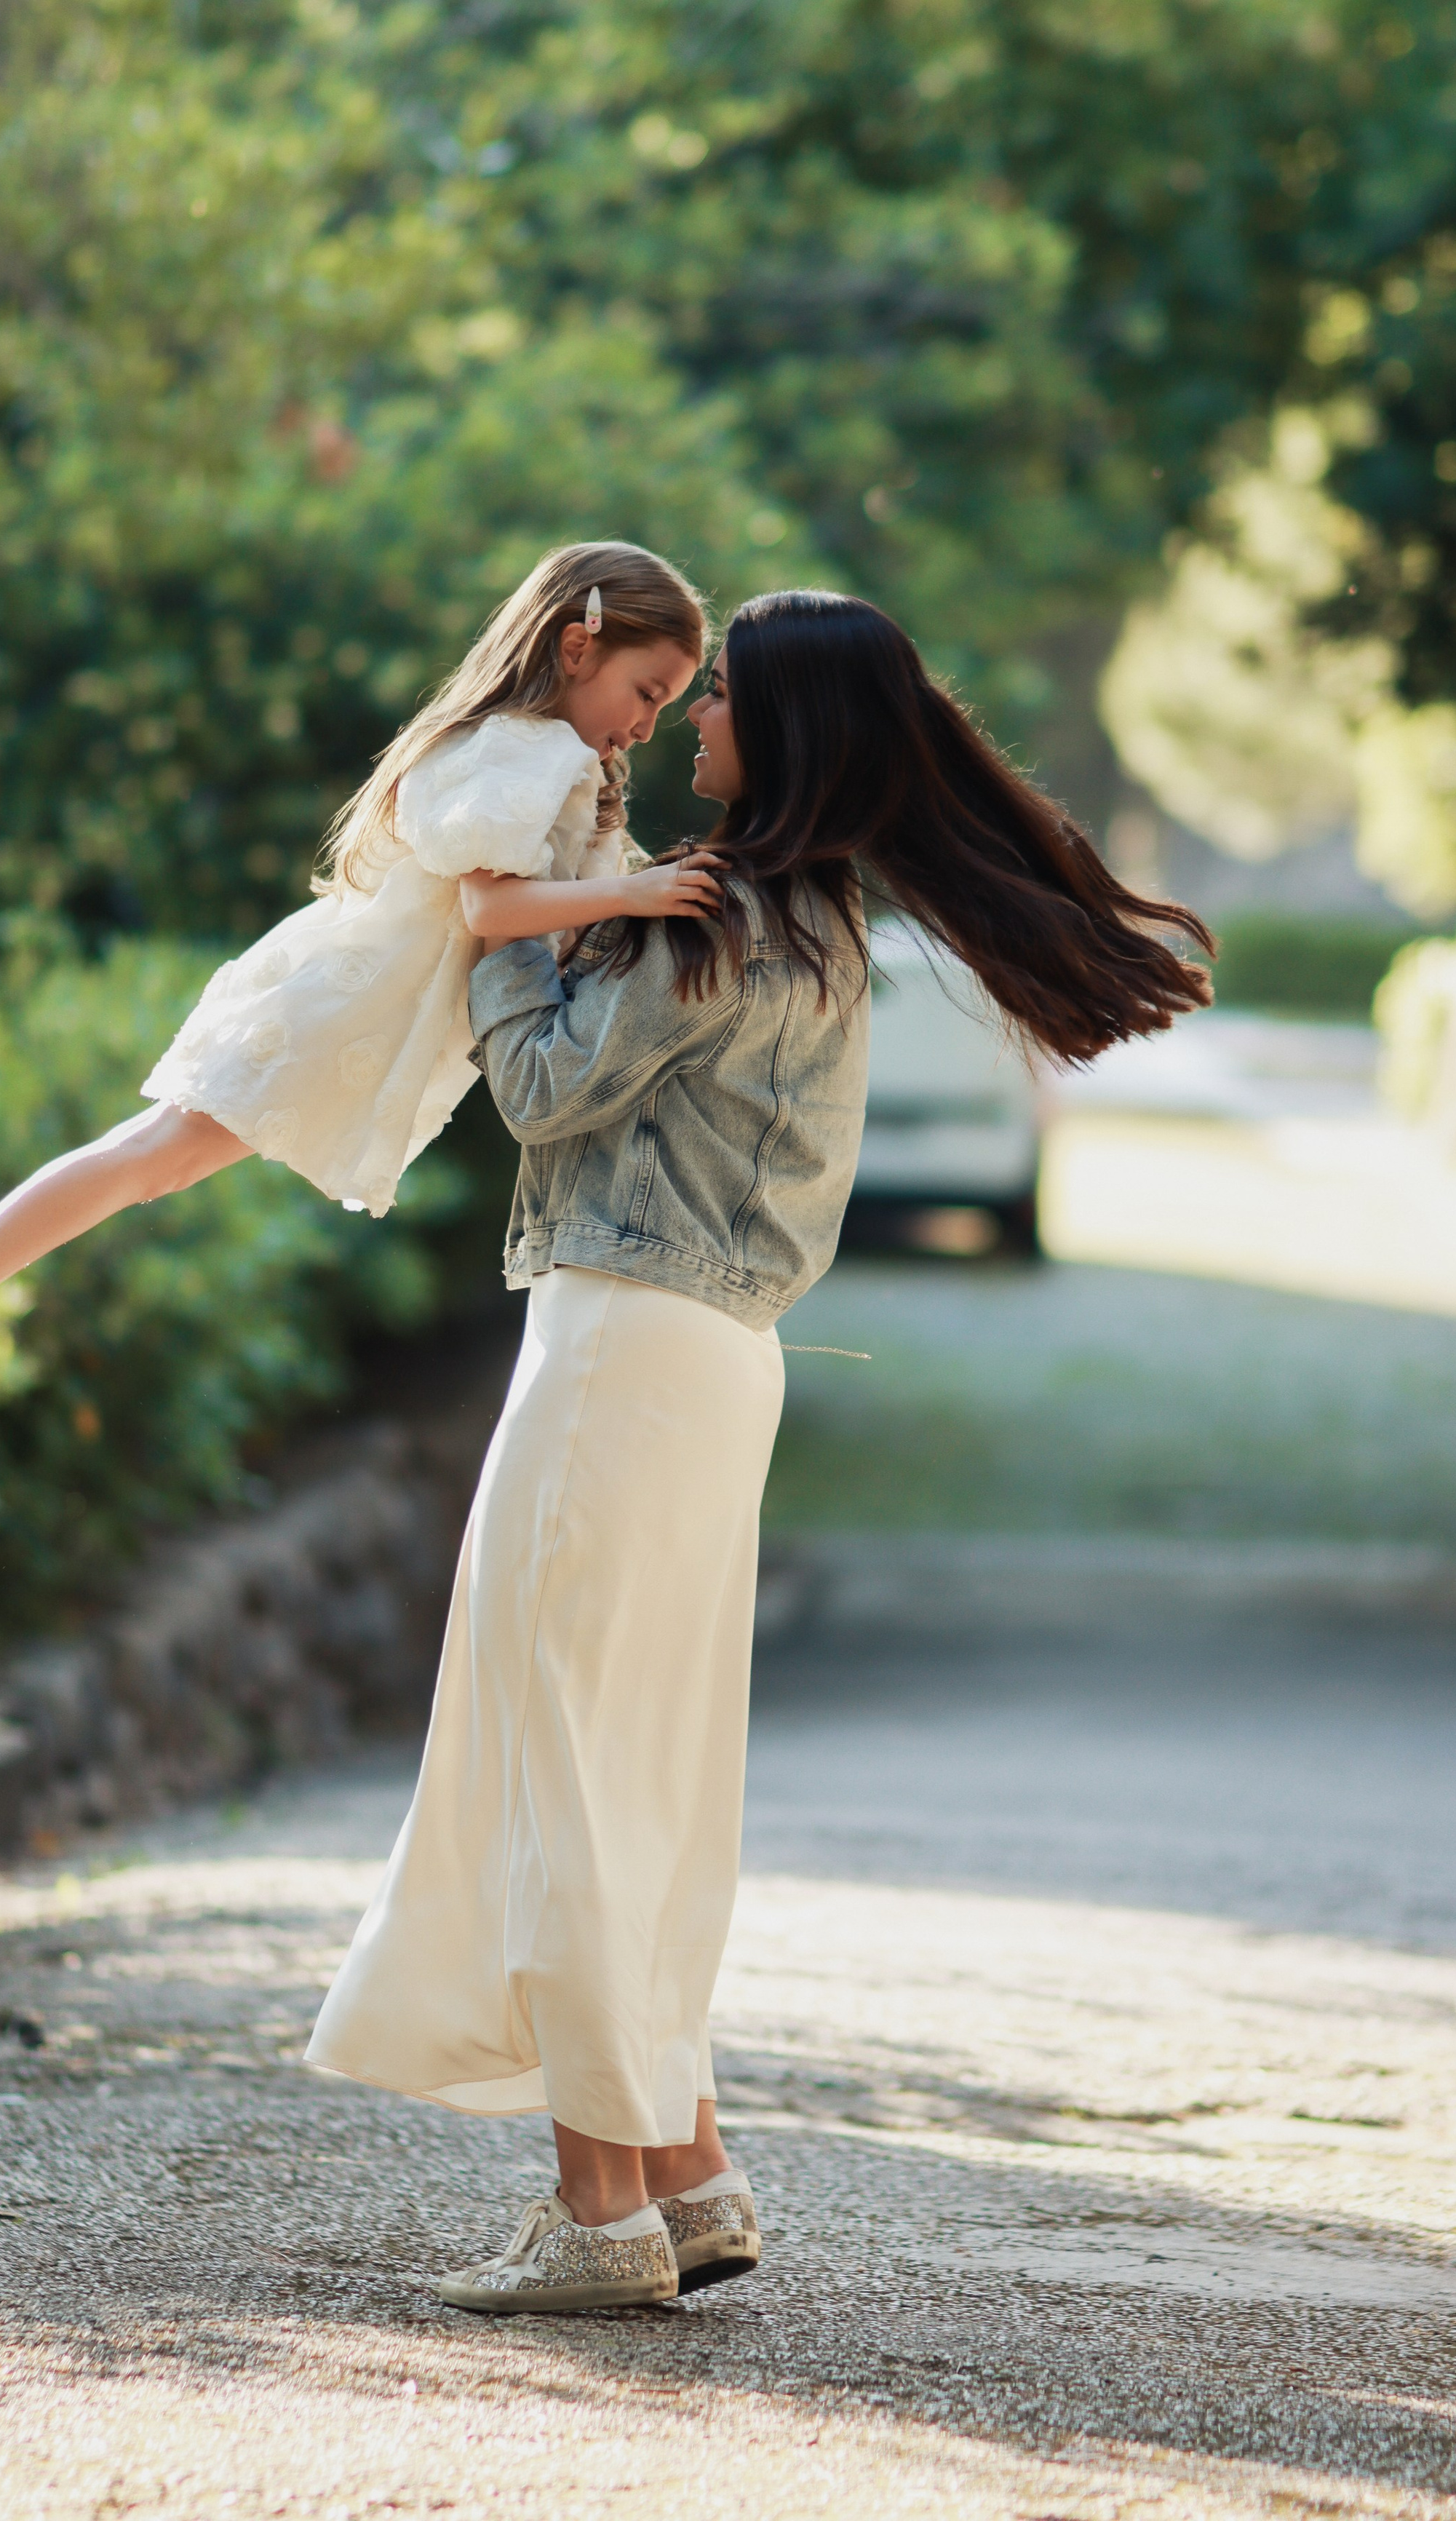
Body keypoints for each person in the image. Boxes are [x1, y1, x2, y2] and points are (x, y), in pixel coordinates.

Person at [306, 587, 1212, 2314]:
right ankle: (685, 2168)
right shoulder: (814, 920)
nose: (690, 716)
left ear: (780, 730)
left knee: (563, 1763)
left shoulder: (710, 912)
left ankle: (595, 2213)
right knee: (636, 1770)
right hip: (713, 1362)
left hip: (618, 1348)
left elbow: (545, 1095)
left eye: (716, 692)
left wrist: (494, 939)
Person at [0, 542, 721, 1416]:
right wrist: (640, 895)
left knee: (156, 1158)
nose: (647, 726)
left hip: (343, 998)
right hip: (340, 1009)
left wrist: (639, 891)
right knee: (153, 1155)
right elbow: (494, 909)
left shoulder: (526, 753)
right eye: (646, 693)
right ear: (577, 648)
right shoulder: (533, 753)